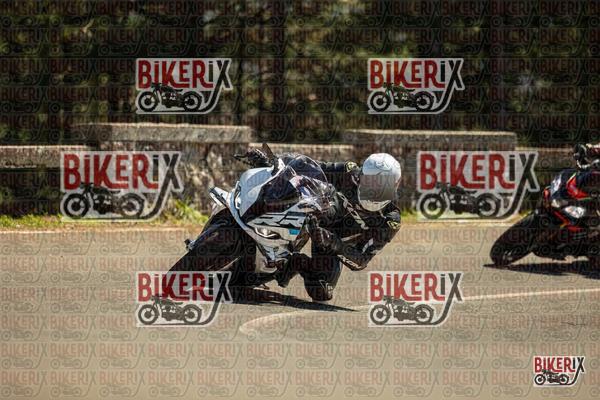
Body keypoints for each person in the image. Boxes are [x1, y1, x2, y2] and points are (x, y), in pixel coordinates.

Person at [239, 148, 402, 301]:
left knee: (321, 291)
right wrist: (271, 162)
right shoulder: (349, 172)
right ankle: (258, 229)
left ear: (395, 186)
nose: (374, 190)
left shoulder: (390, 220)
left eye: (382, 186)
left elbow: (361, 261)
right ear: (361, 175)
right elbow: (306, 167)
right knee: (294, 195)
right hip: (318, 214)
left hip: (333, 243)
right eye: (370, 182)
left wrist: (332, 242)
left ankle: (296, 262)